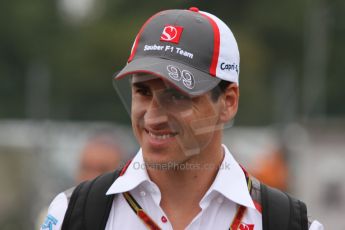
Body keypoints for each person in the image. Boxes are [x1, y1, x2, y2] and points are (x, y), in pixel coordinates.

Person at [41, 7, 323, 230]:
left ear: (228, 102)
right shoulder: (72, 214)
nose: (152, 116)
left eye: (177, 95)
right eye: (142, 91)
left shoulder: (285, 223)